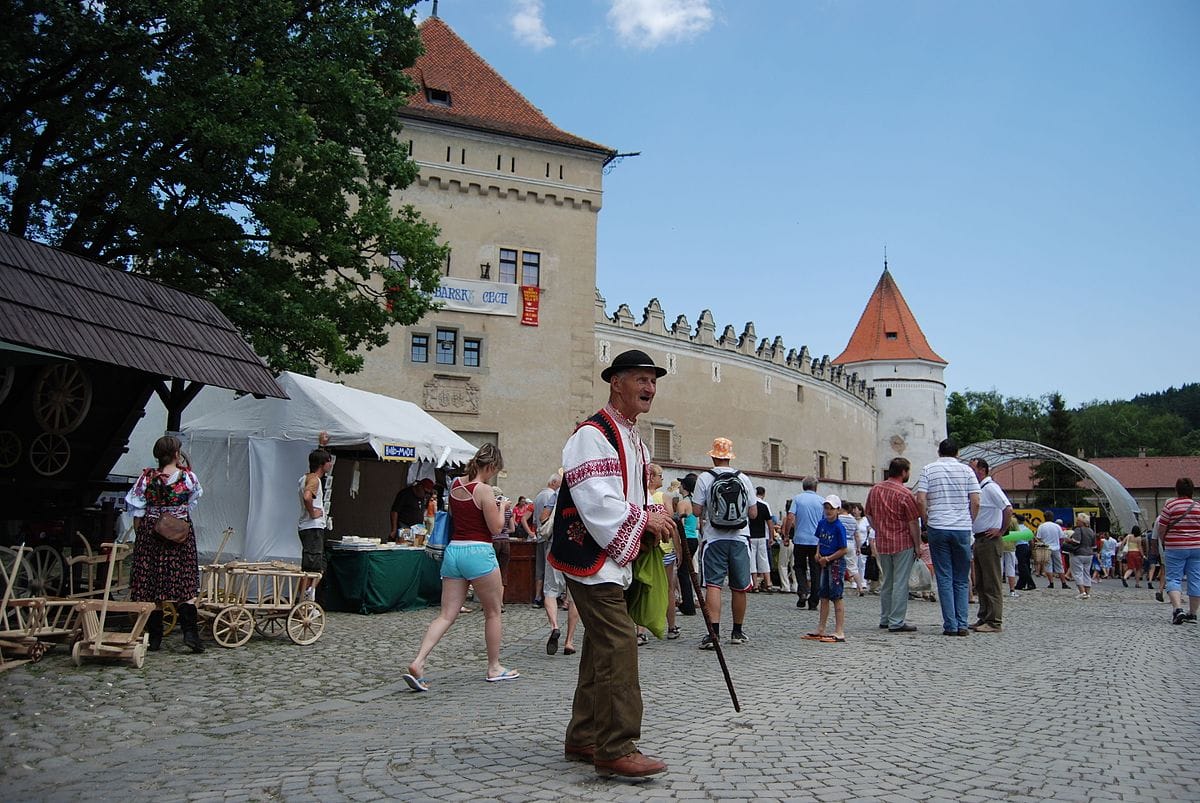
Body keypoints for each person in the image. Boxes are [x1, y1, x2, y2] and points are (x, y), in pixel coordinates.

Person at [547, 349, 676, 778]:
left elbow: (628, 498)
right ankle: (616, 746)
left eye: (653, 381)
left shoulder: (632, 436)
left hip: (607, 557)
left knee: (600, 646)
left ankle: (584, 735)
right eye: (640, 379)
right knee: (620, 642)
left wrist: (653, 518)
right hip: (591, 555)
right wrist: (645, 519)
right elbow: (596, 500)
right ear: (615, 382)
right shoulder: (593, 434)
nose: (649, 388)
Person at [403, 443, 518, 691]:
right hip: (478, 551)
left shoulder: (456, 485)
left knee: (446, 615)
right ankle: (494, 666)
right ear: (490, 466)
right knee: (493, 612)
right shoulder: (484, 490)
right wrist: (502, 506)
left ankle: (419, 660)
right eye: (494, 470)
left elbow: (456, 517)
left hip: (455, 551)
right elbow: (496, 528)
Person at [126, 435, 205, 653]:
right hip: (179, 534)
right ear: (176, 454)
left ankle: (154, 638)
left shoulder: (146, 478)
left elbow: (137, 511)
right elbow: (191, 503)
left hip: (152, 534)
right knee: (185, 584)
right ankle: (190, 635)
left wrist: (141, 535)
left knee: (152, 586)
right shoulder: (188, 478)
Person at [694, 437, 758, 650]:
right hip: (740, 538)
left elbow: (696, 511)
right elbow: (753, 512)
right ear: (730, 457)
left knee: (713, 585)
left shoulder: (704, 478)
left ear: (713, 455)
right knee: (739, 587)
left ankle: (714, 633)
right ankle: (737, 632)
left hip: (714, 538)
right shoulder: (744, 479)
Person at [915, 439, 980, 637]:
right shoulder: (967, 471)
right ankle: (962, 623)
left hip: (938, 525)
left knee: (944, 576)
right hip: (961, 527)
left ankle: (950, 624)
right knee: (961, 578)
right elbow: (976, 500)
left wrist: (927, 519)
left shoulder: (928, 469)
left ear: (939, 452)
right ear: (957, 452)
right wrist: (970, 520)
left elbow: (920, 498)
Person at [864, 457, 922, 632]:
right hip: (902, 542)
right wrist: (918, 545)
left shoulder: (875, 490)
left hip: (883, 542)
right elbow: (913, 522)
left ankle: (885, 618)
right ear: (904, 472)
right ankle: (896, 621)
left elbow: (869, 515)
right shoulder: (905, 494)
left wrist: (880, 529)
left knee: (887, 581)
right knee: (900, 582)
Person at [968, 458, 1012, 633]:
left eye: (973, 469)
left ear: (982, 470)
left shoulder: (991, 488)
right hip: (980, 539)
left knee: (991, 581)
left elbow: (1008, 509)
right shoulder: (980, 489)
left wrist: (1001, 530)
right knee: (981, 581)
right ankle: (984, 615)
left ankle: (994, 620)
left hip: (989, 539)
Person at [638, 463, 680, 643]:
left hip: (646, 546)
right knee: (669, 588)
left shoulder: (639, 496)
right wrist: (678, 549)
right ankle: (671, 626)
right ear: (652, 477)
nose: (662, 479)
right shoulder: (665, 497)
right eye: (660, 476)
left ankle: (640, 630)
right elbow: (671, 525)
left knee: (643, 586)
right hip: (664, 547)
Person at [801, 495, 849, 643]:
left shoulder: (839, 527)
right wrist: (818, 554)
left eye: (831, 509)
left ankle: (839, 630)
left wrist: (828, 558)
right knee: (824, 595)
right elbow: (819, 541)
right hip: (824, 561)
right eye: (826, 508)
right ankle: (821, 628)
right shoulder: (822, 523)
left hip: (835, 562)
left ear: (838, 510)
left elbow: (843, 549)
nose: (828, 511)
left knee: (836, 595)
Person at [1155, 477, 1200, 625]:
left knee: (1173, 578)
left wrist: (1164, 541)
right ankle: (1193, 613)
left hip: (1175, 547)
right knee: (1196, 579)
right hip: (1196, 548)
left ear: (1176, 490)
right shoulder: (1198, 506)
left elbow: (1161, 527)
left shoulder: (1170, 506)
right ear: (1192, 490)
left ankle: (1178, 609)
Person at [298, 447, 333, 600]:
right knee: (311, 567)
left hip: (311, 527)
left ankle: (309, 594)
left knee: (319, 564)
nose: (330, 464)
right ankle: (304, 599)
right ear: (322, 464)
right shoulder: (314, 480)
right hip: (312, 527)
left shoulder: (305, 477)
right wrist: (313, 513)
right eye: (328, 461)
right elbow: (307, 497)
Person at [786, 477, 824, 610]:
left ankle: (802, 590)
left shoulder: (797, 499)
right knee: (816, 570)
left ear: (803, 486)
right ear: (815, 487)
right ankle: (813, 601)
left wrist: (786, 535)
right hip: (816, 541)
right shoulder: (821, 501)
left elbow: (790, 517)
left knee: (799, 567)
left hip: (800, 539)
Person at [531, 473, 561, 609]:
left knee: (540, 568)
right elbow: (545, 517)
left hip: (540, 535)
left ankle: (538, 597)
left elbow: (534, 519)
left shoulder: (537, 497)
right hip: (549, 536)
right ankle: (552, 597)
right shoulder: (551, 495)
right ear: (554, 482)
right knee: (551, 569)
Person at [675, 472, 701, 616]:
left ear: (684, 486)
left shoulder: (682, 503)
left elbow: (680, 524)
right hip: (694, 538)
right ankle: (689, 601)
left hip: (685, 538)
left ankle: (688, 605)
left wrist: (677, 544)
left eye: (681, 484)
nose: (679, 486)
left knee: (682, 572)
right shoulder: (694, 502)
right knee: (688, 571)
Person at [837, 502, 868, 596]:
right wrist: (858, 547)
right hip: (851, 544)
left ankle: (838, 588)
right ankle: (860, 587)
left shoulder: (838, 519)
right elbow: (857, 535)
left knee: (837, 566)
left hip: (840, 543)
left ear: (842, 509)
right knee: (853, 567)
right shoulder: (853, 520)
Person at [1063, 513, 1097, 599]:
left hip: (1078, 553)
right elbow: (1094, 545)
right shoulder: (1091, 531)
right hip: (1089, 554)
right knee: (1086, 573)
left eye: (1078, 520)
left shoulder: (1078, 530)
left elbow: (1076, 541)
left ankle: (1082, 592)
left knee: (1077, 573)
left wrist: (1068, 540)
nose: (1077, 522)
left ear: (1082, 522)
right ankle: (1087, 592)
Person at [748, 486, 774, 593]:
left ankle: (755, 585)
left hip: (751, 536)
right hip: (762, 536)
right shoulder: (764, 506)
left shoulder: (749, 506)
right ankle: (768, 584)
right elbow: (769, 523)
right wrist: (771, 537)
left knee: (752, 561)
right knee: (764, 560)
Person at [1036, 517, 1071, 589]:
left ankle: (1051, 583)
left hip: (1046, 548)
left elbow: (1038, 538)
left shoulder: (1041, 526)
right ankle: (1063, 583)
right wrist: (1059, 544)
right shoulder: (1057, 526)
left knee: (1048, 566)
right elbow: (1061, 537)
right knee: (1059, 566)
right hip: (1056, 548)